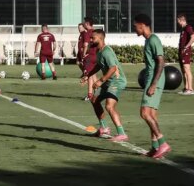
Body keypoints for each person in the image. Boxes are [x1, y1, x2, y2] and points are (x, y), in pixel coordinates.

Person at [134, 14, 172, 159]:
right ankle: (155, 147)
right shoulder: (149, 40)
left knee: (144, 113)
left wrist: (153, 84)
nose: (134, 29)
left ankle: (163, 143)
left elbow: (161, 62)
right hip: (152, 79)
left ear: (142, 25)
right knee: (152, 115)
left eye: (135, 26)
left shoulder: (154, 39)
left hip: (154, 80)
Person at [80, 29, 128, 142]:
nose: (91, 40)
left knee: (109, 106)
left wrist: (101, 80)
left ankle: (122, 133)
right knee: (94, 99)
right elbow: (99, 66)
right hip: (108, 80)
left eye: (93, 38)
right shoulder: (99, 51)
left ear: (101, 39)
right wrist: (88, 75)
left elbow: (113, 68)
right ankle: (104, 128)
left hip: (117, 81)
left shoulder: (107, 51)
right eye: (90, 38)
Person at [82, 17, 99, 101]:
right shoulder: (96, 32)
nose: (83, 24)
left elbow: (85, 44)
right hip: (97, 56)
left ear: (87, 23)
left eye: (84, 22)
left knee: (89, 75)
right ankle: (97, 91)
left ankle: (90, 94)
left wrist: (84, 54)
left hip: (90, 56)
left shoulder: (88, 33)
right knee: (93, 74)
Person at [176, 13, 193, 95]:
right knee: (183, 71)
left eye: (178, 21)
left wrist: (186, 47)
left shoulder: (188, 27)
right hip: (181, 52)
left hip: (185, 52)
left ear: (181, 20)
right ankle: (186, 88)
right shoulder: (183, 29)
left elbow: (193, 37)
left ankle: (190, 89)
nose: (177, 22)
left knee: (187, 69)